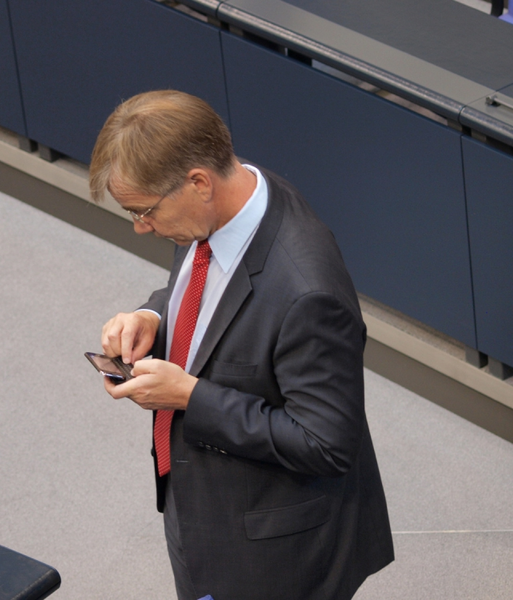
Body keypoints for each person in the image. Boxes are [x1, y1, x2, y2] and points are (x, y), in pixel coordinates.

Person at [90, 90, 394, 600]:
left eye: (143, 211)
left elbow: (325, 442)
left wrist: (190, 396)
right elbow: (208, 295)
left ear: (199, 183)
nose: (141, 228)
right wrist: (153, 316)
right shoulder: (230, 201)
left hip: (273, 557)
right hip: (204, 510)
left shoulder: (307, 292)